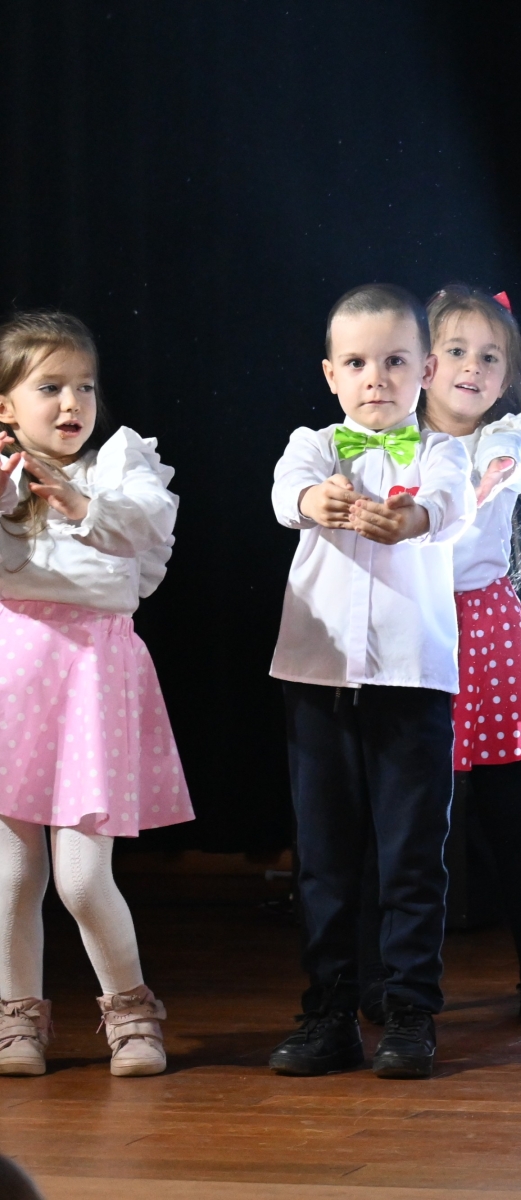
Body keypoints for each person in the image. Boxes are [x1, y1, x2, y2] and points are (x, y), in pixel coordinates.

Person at [267, 284, 474, 1079]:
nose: (375, 378)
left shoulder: (441, 451)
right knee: (324, 855)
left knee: (412, 854)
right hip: (316, 675)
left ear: (426, 370)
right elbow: (286, 492)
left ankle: (409, 1009)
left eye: (393, 361)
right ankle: (328, 1011)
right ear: (331, 374)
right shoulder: (314, 445)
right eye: (356, 363)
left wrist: (412, 519)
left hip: (410, 677)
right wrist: (313, 498)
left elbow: (450, 506)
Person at [0, 312, 190, 1077]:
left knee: (81, 878)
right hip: (13, 682)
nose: (72, 402)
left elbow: (143, 537)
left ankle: (132, 1011)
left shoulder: (119, 467)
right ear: (7, 404)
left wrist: (80, 505)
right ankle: (17, 1019)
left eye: (83, 386)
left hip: (90, 682)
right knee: (12, 875)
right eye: (49, 387)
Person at [422, 285, 521, 1023]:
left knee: (511, 812)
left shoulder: (508, 437)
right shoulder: (391, 439)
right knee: (413, 822)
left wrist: (496, 464)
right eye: (456, 351)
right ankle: (396, 982)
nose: (471, 368)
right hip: (412, 629)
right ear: (422, 363)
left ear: (507, 379)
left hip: (486, 628)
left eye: (489, 358)